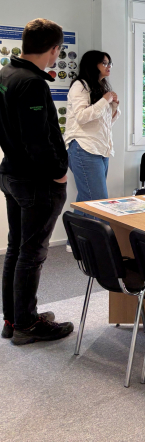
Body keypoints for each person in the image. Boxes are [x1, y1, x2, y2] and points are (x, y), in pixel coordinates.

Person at [0, 18, 74, 345]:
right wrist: (58, 172)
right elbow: (37, 141)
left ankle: (13, 319)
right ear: (54, 49)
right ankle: (26, 325)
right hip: (35, 182)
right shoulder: (32, 83)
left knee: (17, 249)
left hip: (12, 173)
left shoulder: (4, 75)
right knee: (31, 253)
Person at [64, 50, 119, 236]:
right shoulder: (80, 86)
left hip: (100, 148)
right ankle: (107, 246)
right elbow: (81, 117)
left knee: (87, 197)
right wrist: (104, 101)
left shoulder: (100, 87)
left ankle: (76, 241)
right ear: (92, 64)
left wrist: (113, 106)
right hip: (84, 147)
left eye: (110, 63)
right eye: (104, 63)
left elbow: (104, 124)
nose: (108, 66)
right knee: (100, 200)